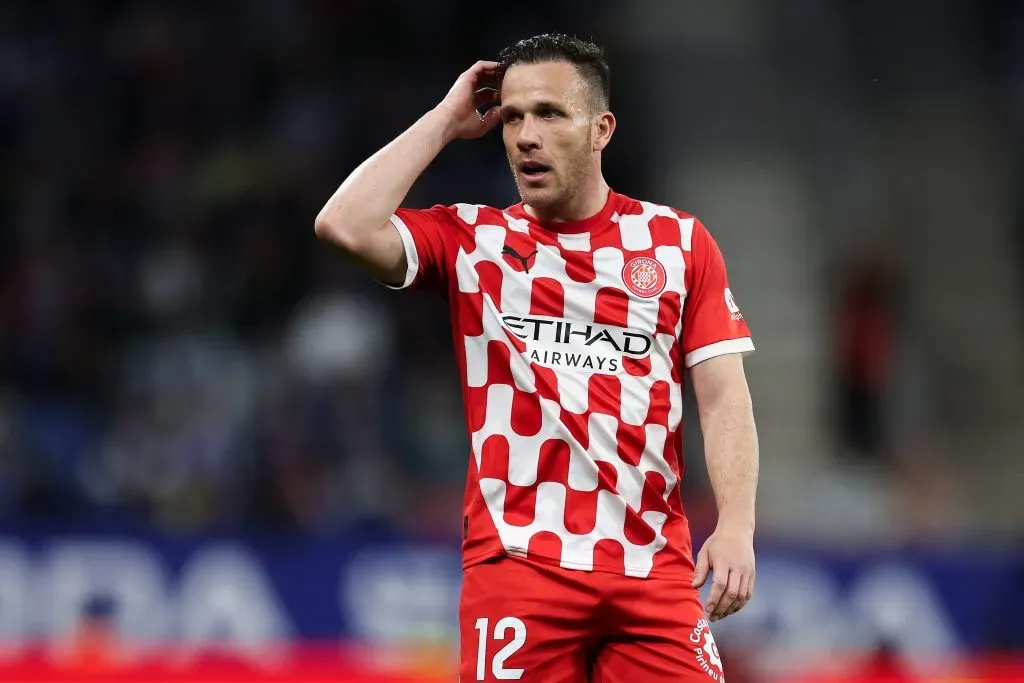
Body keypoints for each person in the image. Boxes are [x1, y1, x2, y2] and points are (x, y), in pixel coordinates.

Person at [315, 33, 758, 683]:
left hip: (653, 572)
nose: (525, 133)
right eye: (514, 115)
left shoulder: (676, 244)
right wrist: (443, 121)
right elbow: (344, 224)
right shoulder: (475, 240)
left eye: (549, 113)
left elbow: (723, 396)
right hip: (520, 568)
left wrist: (737, 525)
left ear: (601, 128)